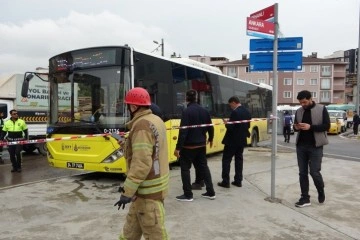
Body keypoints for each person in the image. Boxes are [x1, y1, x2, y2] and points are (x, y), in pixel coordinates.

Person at [113, 87, 169, 239]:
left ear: (133, 106)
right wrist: (127, 144)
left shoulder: (141, 126)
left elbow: (141, 163)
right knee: (129, 233)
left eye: (128, 106)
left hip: (148, 193)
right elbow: (151, 149)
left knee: (156, 234)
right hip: (146, 191)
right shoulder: (156, 120)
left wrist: (127, 192)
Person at [174, 89, 215, 201]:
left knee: (185, 169)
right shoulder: (204, 111)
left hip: (188, 147)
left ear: (186, 98)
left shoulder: (187, 112)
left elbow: (183, 131)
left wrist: (178, 147)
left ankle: (188, 194)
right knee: (204, 167)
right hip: (201, 145)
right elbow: (210, 127)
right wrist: (210, 138)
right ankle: (211, 192)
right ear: (196, 98)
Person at [293, 90, 330, 208]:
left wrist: (310, 127)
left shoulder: (321, 109)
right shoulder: (299, 111)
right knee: (302, 173)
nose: (302, 104)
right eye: (300, 103)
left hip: (316, 146)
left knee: (314, 172)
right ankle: (305, 198)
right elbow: (295, 127)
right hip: (301, 146)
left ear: (310, 99)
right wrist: (297, 127)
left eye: (304, 102)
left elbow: (326, 126)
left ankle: (320, 190)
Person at [218, 96, 251, 188]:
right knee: (239, 160)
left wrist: (226, 123)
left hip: (232, 140)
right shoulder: (247, 111)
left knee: (226, 160)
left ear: (233, 102)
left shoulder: (235, 112)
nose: (230, 107)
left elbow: (231, 127)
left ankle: (225, 181)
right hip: (242, 140)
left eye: (230, 105)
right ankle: (238, 180)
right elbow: (247, 126)